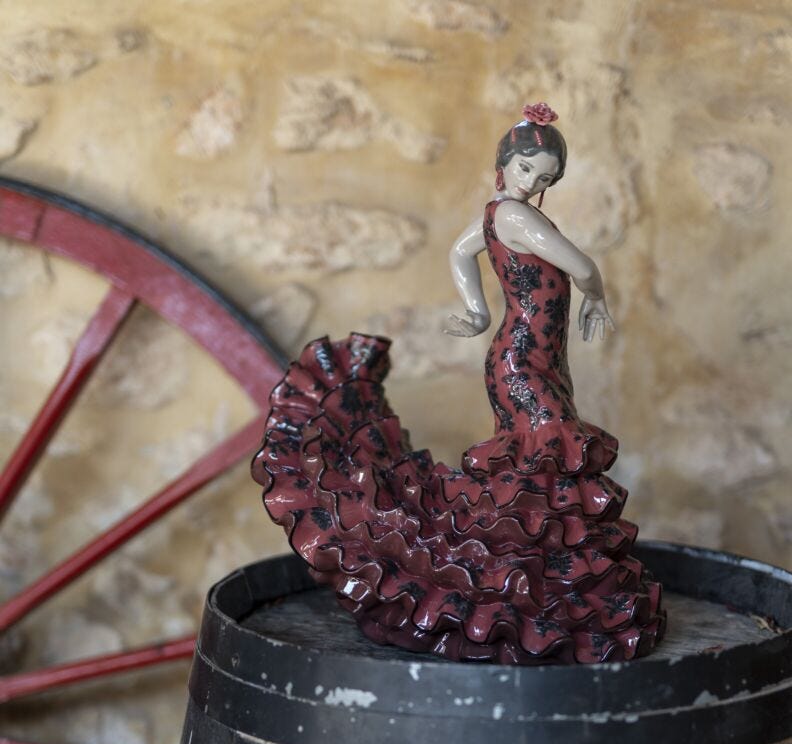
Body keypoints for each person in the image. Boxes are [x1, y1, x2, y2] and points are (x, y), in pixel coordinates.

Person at [252, 103, 665, 664]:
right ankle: (522, 596)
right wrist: (594, 296)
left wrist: (476, 311)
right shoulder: (518, 218)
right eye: (527, 171)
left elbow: (460, 250)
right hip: (520, 360)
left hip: (534, 358)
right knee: (547, 462)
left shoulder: (499, 215)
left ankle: (535, 591)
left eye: (545, 178)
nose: (534, 183)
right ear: (505, 166)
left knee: (537, 471)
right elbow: (584, 267)